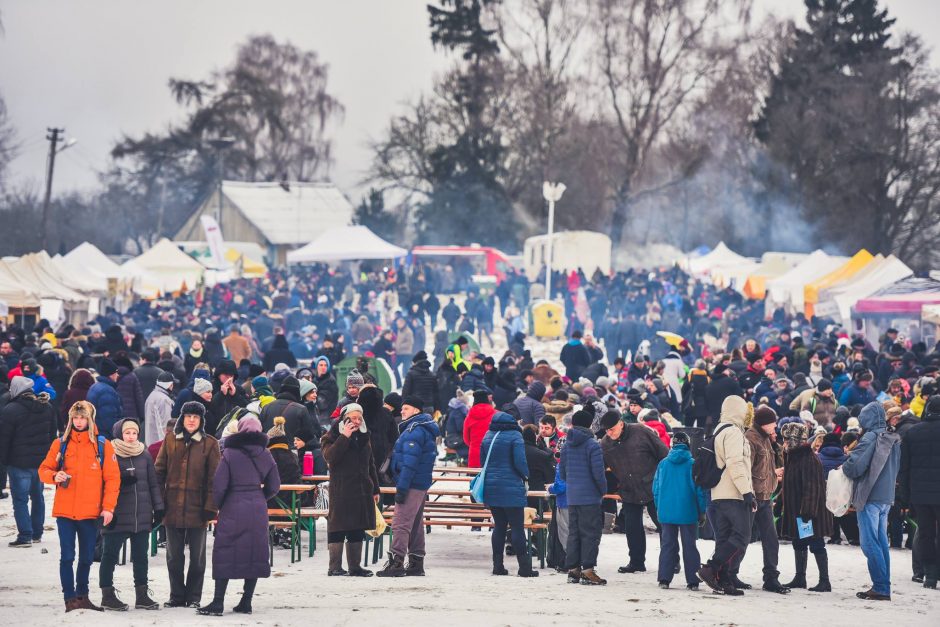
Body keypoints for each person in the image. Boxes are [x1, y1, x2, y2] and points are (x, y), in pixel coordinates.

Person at [38, 401, 120, 612]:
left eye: (83, 418)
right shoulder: (61, 444)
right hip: (65, 511)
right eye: (76, 418)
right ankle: (69, 599)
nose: (79, 421)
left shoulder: (102, 446)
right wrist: (55, 475)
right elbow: (43, 470)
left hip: (90, 513)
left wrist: (108, 507)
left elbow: (112, 479)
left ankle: (82, 596)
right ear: (70, 420)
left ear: (90, 419)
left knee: (86, 558)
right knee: (67, 556)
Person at [197, 415, 279, 616]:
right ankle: (246, 602)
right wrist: (260, 496)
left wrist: (221, 504)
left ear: (240, 430)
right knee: (255, 552)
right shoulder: (266, 454)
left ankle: (217, 603)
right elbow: (274, 486)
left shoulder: (230, 453)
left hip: (233, 504)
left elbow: (219, 485)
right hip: (258, 507)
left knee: (225, 550)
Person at [155, 401, 221, 608]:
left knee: (198, 558)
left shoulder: (210, 444)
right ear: (182, 418)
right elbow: (159, 472)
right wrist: (158, 503)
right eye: (188, 416)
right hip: (172, 506)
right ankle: (176, 595)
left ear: (201, 420)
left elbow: (214, 479)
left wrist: (211, 506)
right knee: (173, 556)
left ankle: (193, 597)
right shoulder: (170, 440)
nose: (191, 420)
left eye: (195, 416)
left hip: (198, 508)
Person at [99, 418, 163, 611]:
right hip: (117, 515)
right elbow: (102, 483)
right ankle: (107, 594)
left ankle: (142, 595)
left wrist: (158, 508)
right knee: (109, 555)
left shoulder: (144, 455)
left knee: (141, 557)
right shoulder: (110, 454)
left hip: (141, 515)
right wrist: (120, 482)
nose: (131, 437)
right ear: (120, 434)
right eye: (127, 433)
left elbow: (153, 483)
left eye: (134, 433)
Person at [842, 402, 901, 601]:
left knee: (869, 543)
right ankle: (883, 584)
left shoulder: (870, 437)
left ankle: (881, 587)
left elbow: (855, 467)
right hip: (886, 497)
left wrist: (847, 460)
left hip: (869, 495)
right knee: (881, 542)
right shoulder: (892, 437)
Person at [697, 395, 753, 596]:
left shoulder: (718, 430)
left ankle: (724, 579)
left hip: (717, 494)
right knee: (741, 536)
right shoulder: (733, 433)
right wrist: (747, 491)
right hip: (734, 493)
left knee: (724, 538)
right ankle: (711, 568)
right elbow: (736, 463)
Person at [599, 410, 668, 574]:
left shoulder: (641, 431)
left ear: (621, 423)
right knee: (632, 528)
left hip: (653, 487)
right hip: (628, 489)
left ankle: (671, 560)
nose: (609, 433)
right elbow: (601, 467)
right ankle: (636, 562)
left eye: (612, 429)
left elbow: (664, 454)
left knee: (664, 526)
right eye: (606, 430)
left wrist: (663, 480)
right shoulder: (605, 443)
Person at [378, 396, 440, 577]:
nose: (402, 411)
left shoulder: (414, 431)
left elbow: (410, 464)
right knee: (415, 524)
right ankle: (415, 562)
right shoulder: (421, 429)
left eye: (406, 408)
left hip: (411, 483)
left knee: (401, 523)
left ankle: (396, 562)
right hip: (420, 483)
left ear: (416, 410)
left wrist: (402, 488)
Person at [320, 403, 380, 577]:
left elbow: (371, 464)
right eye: (353, 418)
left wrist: (375, 488)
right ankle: (335, 567)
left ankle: (355, 567)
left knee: (357, 526)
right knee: (337, 527)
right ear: (344, 418)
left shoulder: (364, 436)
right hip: (341, 489)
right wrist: (344, 437)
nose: (356, 421)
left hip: (362, 489)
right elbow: (331, 458)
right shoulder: (330, 436)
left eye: (359, 418)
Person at [479, 411, 538, 577]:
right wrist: (526, 475)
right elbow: (520, 462)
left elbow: (483, 461)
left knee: (499, 526)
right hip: (511, 487)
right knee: (517, 527)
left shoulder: (488, 435)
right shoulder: (515, 436)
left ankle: (498, 566)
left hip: (492, 487)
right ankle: (524, 568)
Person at [0, 376, 57, 547]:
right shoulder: (46, 406)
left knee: (20, 500)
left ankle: (25, 535)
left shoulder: (10, 409)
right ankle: (37, 533)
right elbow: (52, 435)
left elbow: (4, 438)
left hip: (18, 463)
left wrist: (3, 460)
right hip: (41, 462)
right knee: (37, 497)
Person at [779, 421, 832, 593]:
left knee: (816, 543)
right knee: (799, 542)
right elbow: (789, 484)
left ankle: (825, 581)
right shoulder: (793, 457)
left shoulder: (808, 459)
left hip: (809, 512)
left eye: (786, 439)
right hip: (799, 511)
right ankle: (800, 577)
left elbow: (812, 487)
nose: (784, 443)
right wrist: (779, 502)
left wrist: (807, 513)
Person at [743, 405, 789, 593]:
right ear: (764, 423)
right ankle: (730, 572)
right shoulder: (751, 439)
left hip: (766, 498)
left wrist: (773, 474)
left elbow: (761, 468)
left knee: (771, 539)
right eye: (773, 423)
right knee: (743, 537)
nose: (775, 426)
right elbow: (747, 469)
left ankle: (771, 576)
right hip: (754, 497)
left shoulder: (765, 439)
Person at [652, 431, 706, 590]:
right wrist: (701, 511)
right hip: (688, 511)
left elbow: (656, 489)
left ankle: (664, 579)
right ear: (688, 445)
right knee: (689, 545)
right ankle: (693, 580)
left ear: (672, 445)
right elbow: (699, 491)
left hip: (666, 511)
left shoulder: (663, 464)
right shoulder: (692, 463)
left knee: (668, 545)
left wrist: (659, 507)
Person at [561, 409, 608, 585]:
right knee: (590, 533)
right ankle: (588, 570)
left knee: (574, 532)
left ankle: (573, 570)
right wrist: (602, 489)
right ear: (589, 424)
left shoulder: (566, 444)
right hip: (590, 497)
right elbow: (598, 473)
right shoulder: (592, 444)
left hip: (572, 495)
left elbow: (563, 473)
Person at [898, 395, 940, 589]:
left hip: (920, 494)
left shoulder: (912, 433)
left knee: (925, 533)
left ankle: (930, 575)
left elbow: (904, 469)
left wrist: (904, 499)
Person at [86, 358, 124, 440]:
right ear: (111, 374)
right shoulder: (107, 391)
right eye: (116, 372)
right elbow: (109, 420)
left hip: (97, 433)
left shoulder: (95, 386)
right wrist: (116, 436)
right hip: (105, 437)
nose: (118, 375)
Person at [463, 390, 496, 468]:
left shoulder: (469, 417)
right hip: (491, 455)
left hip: (474, 457)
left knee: (475, 479)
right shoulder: (495, 415)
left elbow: (466, 439)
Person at [144, 371, 174, 445]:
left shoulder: (152, 395)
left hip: (151, 441)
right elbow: (167, 423)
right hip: (160, 443)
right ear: (169, 385)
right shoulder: (164, 399)